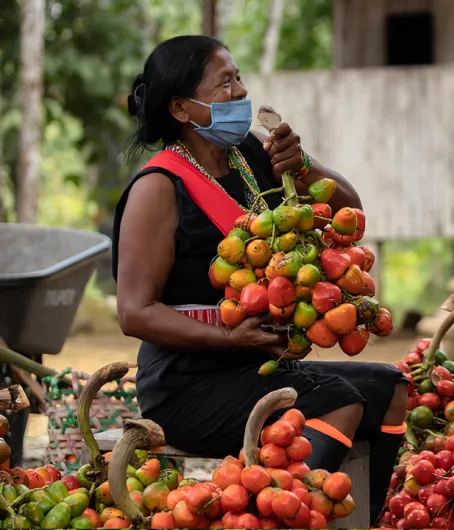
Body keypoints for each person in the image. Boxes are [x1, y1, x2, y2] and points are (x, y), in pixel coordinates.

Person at [111, 35, 406, 523]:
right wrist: (228, 337)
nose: (241, 91)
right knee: (338, 401)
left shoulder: (250, 154)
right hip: (186, 387)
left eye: (239, 76)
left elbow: (349, 212)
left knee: (388, 385)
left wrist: (304, 166)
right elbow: (133, 312)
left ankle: (365, 519)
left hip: (255, 367)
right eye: (224, 82)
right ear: (183, 108)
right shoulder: (158, 187)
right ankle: (270, 515)